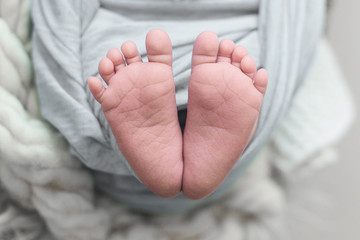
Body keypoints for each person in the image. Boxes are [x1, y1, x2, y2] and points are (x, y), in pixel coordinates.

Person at [88, 29, 268, 200]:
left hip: (119, 182)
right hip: (225, 182)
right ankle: (242, 137)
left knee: (100, 61)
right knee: (260, 64)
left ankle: (136, 145)